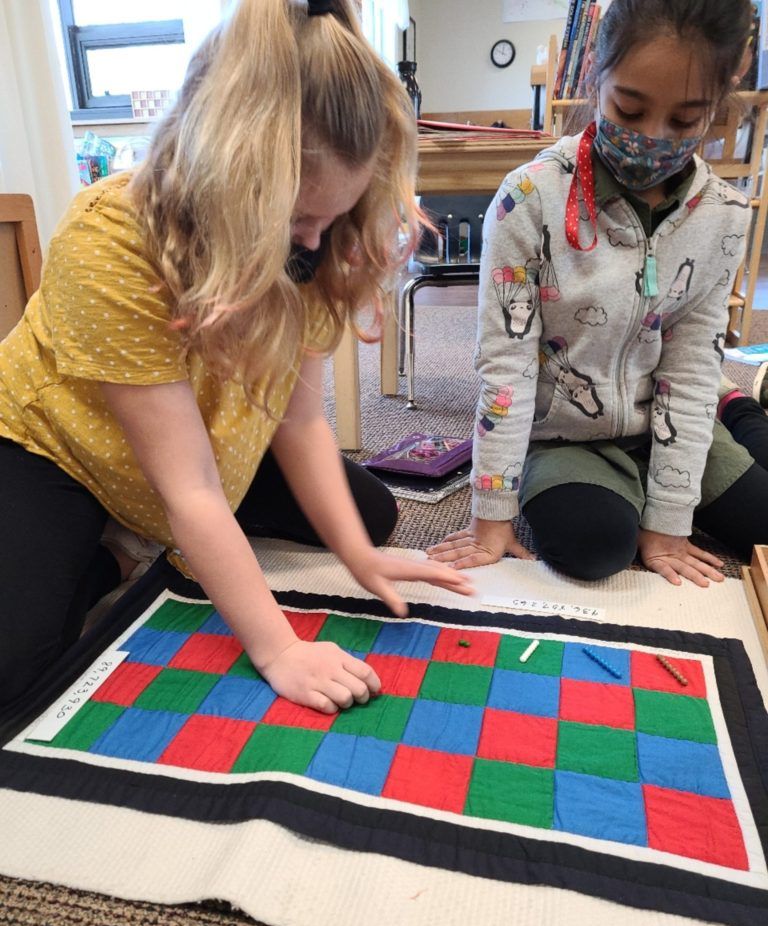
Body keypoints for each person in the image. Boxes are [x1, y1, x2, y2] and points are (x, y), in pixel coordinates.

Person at [0, 0, 473, 717]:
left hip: (203, 433)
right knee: (17, 670)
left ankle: (135, 544)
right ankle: (111, 555)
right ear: (224, 181)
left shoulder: (319, 245)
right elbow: (188, 487)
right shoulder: (107, 242)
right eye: (298, 220)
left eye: (331, 218)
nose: (312, 241)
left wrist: (357, 556)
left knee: (369, 517)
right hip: (63, 446)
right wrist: (279, 648)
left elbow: (299, 420)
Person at [429, 0, 768, 585]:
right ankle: (730, 411)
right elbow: (505, 366)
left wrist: (668, 517)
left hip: (665, 421)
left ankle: (737, 408)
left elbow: (689, 372)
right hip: (563, 436)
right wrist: (493, 511)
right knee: (594, 547)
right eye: (629, 109)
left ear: (720, 100)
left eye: (685, 120)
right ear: (595, 73)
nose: (651, 137)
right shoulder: (529, 197)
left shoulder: (724, 216)